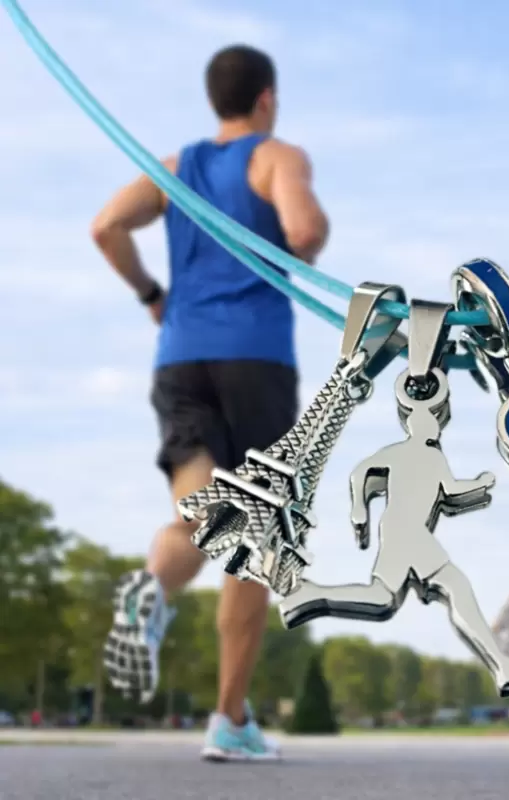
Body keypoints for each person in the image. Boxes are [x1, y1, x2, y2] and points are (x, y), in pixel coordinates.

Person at [90, 44, 329, 761]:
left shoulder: (175, 169)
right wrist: (282, 262)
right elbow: (307, 233)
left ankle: (153, 589)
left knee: (194, 523)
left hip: (182, 360)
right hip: (255, 361)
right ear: (265, 98)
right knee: (252, 546)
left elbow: (105, 227)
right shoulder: (277, 156)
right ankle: (229, 720)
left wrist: (152, 295)